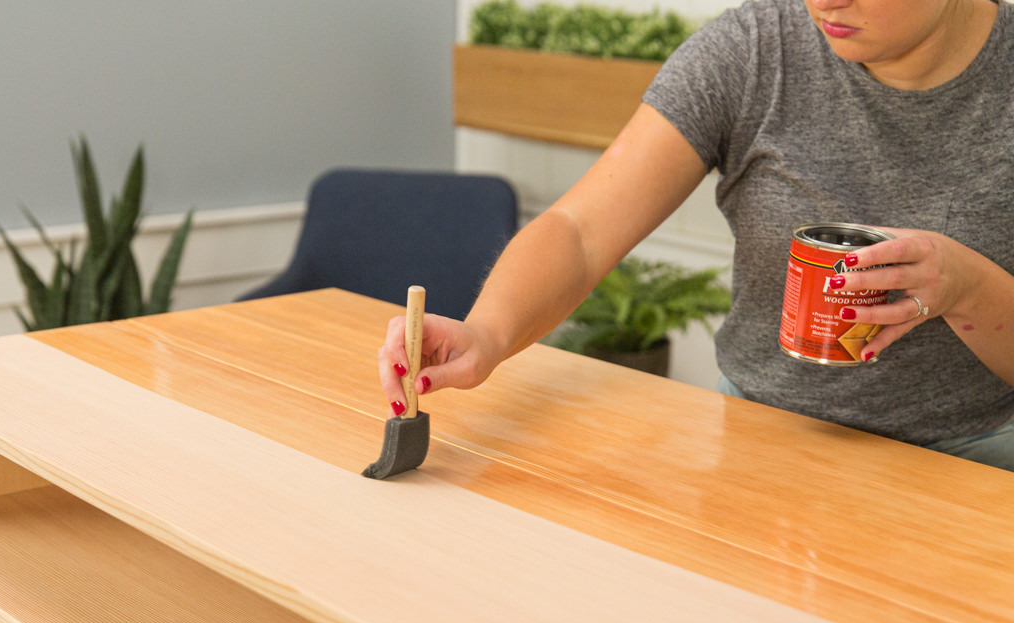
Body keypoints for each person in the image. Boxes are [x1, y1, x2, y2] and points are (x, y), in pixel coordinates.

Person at [377, 0, 1014, 471]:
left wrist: (967, 288)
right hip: (756, 445)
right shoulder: (753, 50)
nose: (824, 4)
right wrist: (485, 332)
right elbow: (581, 230)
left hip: (972, 466)